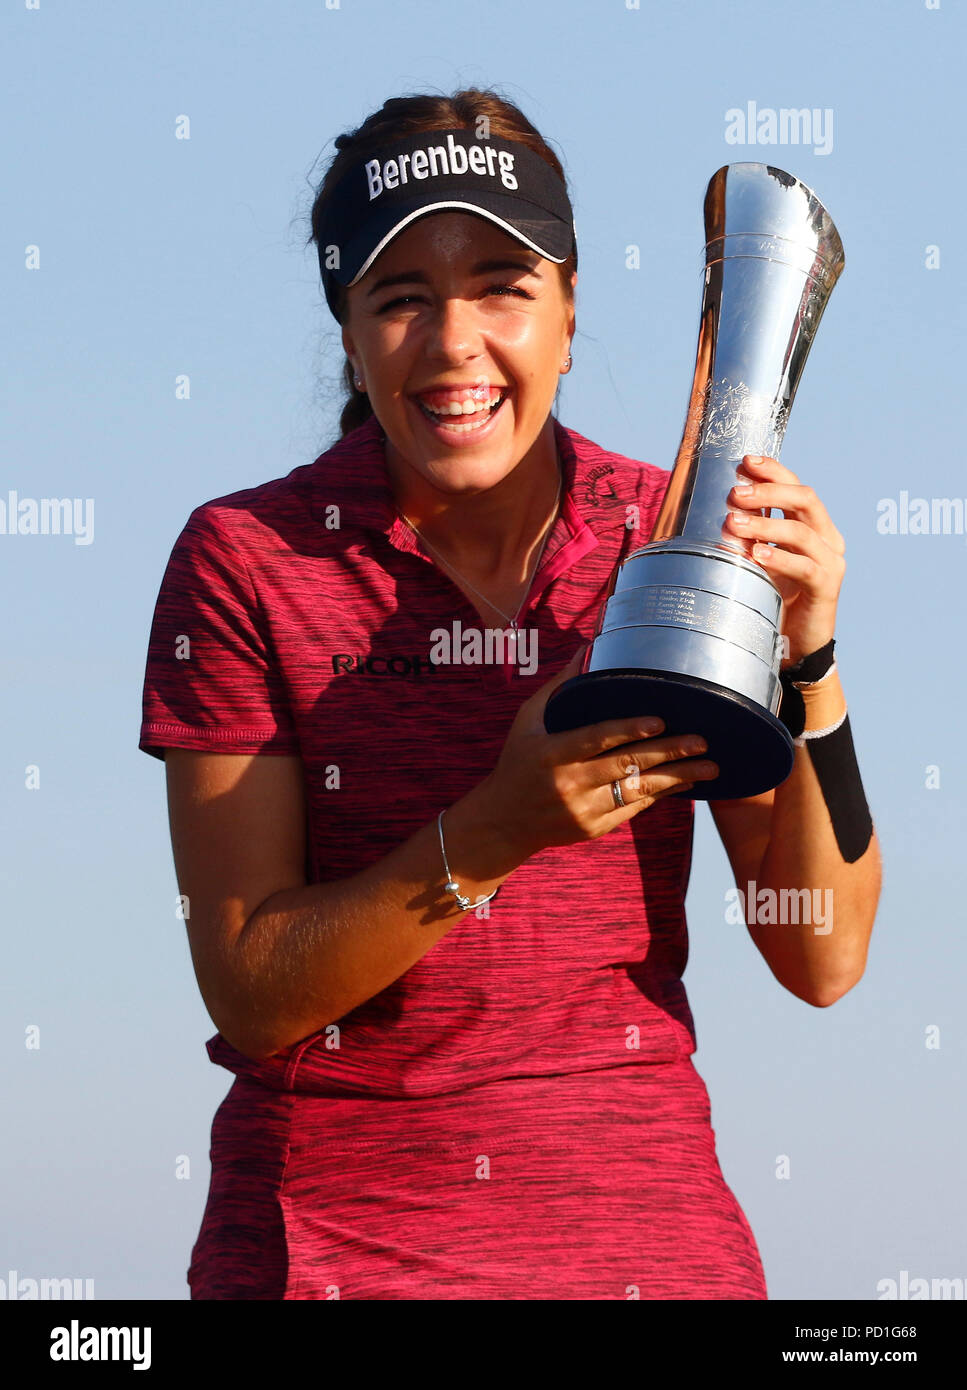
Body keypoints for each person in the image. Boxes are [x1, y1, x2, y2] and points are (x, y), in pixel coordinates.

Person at [138, 87, 882, 1300]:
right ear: (346, 332)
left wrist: (808, 653)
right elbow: (255, 989)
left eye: (500, 284)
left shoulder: (667, 532)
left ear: (571, 311)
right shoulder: (249, 558)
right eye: (399, 298)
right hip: (343, 1258)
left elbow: (824, 953)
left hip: (655, 1254)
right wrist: (494, 830)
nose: (453, 343)